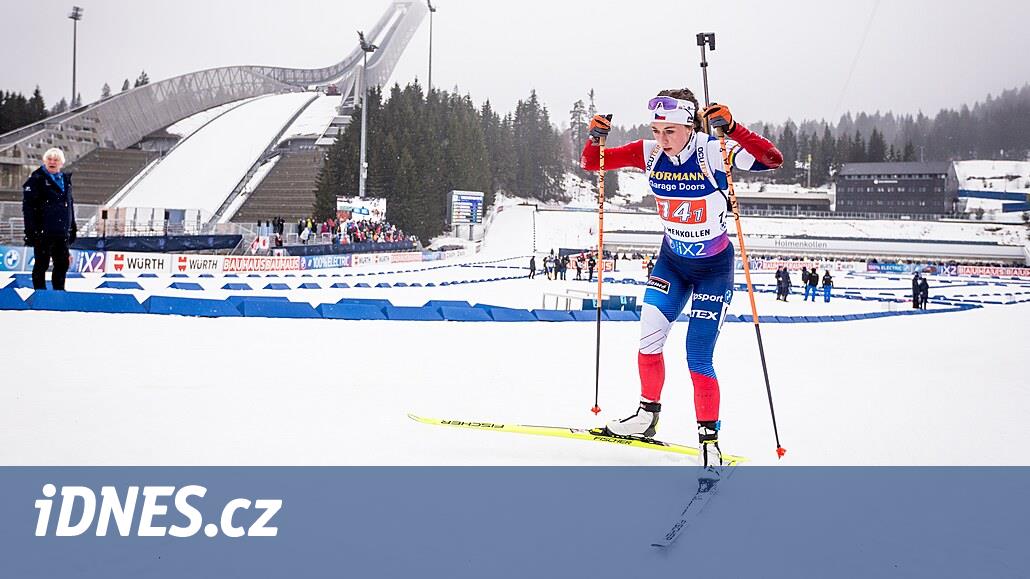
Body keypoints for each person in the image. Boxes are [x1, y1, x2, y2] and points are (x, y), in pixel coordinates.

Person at [581, 89, 782, 470]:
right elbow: (593, 163)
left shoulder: (713, 151)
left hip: (712, 270)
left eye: (670, 131)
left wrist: (733, 129)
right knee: (649, 342)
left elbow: (771, 159)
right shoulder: (649, 153)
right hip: (671, 264)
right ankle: (646, 415)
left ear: (690, 126)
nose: (661, 139)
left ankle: (709, 441)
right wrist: (595, 138)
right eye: (656, 131)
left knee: (698, 357)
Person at [23, 148, 77, 291]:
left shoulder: (66, 181)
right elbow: (28, 208)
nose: (52, 162)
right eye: (49, 159)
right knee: (42, 263)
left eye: (56, 159)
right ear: (44, 161)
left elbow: (69, 206)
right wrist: (31, 231)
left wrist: (72, 227)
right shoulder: (36, 180)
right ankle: (40, 293)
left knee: (62, 263)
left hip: (61, 231)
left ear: (61, 163)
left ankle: (59, 293)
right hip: (43, 231)